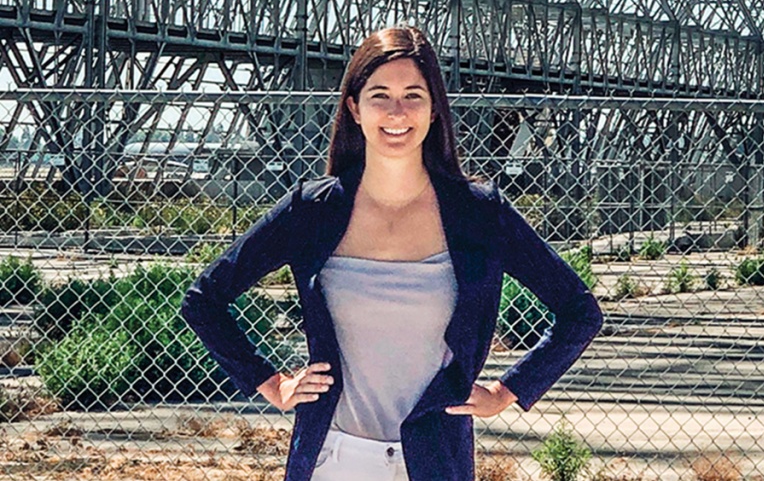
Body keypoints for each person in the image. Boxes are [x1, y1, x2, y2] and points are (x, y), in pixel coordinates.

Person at [181, 26, 603, 481]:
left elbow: (580, 312)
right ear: (354, 108)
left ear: (435, 109)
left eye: (413, 96)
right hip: (331, 459)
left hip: (435, 461)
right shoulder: (312, 210)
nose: (397, 111)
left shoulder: (479, 213)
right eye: (380, 95)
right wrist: (273, 384)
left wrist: (509, 391)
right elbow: (205, 300)